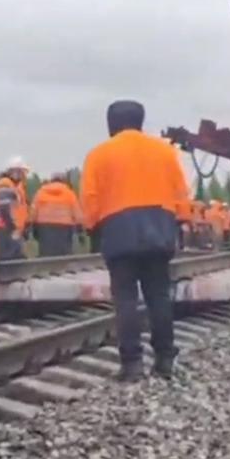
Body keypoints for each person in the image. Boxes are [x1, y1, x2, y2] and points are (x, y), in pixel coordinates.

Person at [81, 99, 189, 382]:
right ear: (140, 121)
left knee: (126, 299)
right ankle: (165, 360)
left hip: (118, 229)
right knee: (158, 295)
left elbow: (90, 198)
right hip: (159, 226)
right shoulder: (164, 152)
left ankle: (132, 365)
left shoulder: (99, 154)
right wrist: (181, 221)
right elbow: (181, 191)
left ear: (111, 123)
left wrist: (92, 227)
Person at [30, 172, 85, 257]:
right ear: (64, 181)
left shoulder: (40, 193)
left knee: (46, 254)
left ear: (51, 181)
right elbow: (77, 213)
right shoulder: (69, 193)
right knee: (64, 256)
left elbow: (33, 212)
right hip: (64, 228)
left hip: (44, 228)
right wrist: (80, 229)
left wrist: (31, 226)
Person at [0, 157, 29, 261]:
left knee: (15, 257)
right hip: (5, 227)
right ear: (13, 171)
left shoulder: (15, 185)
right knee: (8, 258)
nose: (23, 175)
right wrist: (13, 228)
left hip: (11, 228)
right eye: (21, 172)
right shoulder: (5, 184)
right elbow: (4, 209)